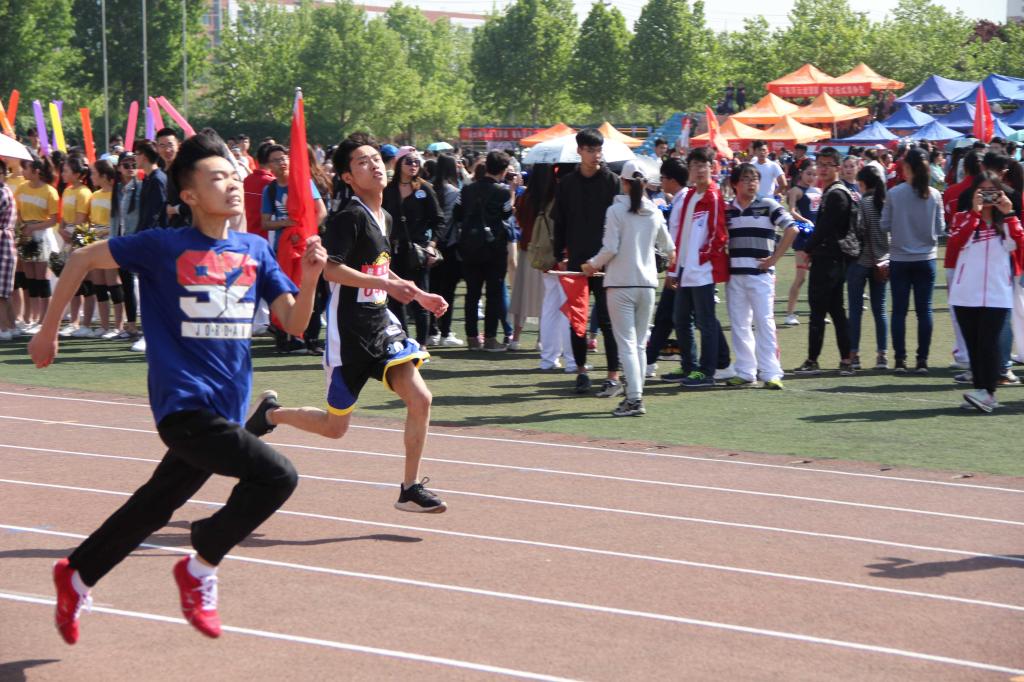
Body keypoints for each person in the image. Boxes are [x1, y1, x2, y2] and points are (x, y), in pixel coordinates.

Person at [28, 130, 326, 643]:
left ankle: (76, 574)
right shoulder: (161, 245)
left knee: (156, 503)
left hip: (226, 410)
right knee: (278, 476)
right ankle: (201, 561)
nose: (232, 185)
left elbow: (295, 324)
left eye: (233, 176)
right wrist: (48, 331)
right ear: (189, 194)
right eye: (217, 178)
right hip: (184, 405)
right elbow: (79, 259)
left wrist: (314, 276)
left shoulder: (256, 249)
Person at [245, 133, 449, 513]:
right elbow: (332, 270)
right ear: (348, 177)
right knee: (335, 428)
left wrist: (418, 294)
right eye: (362, 162)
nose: (374, 165)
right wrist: (386, 284)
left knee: (421, 398)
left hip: (382, 327)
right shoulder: (348, 218)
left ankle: (409, 488)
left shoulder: (386, 216)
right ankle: (270, 413)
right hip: (349, 335)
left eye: (376, 159)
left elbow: (382, 271)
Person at [582, 159, 673, 415]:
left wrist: (592, 265)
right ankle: (635, 396)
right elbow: (669, 248)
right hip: (647, 284)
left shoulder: (615, 211)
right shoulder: (654, 211)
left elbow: (610, 248)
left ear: (623, 182)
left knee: (628, 345)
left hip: (620, 284)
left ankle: (634, 399)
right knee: (639, 345)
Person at [552, 128, 621, 395]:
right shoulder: (567, 184)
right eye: (590, 150)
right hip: (577, 262)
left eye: (598, 150)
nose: (595, 155)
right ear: (579, 150)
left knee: (607, 320)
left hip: (608, 261)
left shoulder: (612, 182)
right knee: (577, 320)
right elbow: (560, 222)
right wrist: (560, 255)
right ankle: (581, 372)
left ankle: (613, 375)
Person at [947, 173, 1024, 412]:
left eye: (993, 190)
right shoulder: (962, 218)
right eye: (983, 190)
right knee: (974, 345)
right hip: (965, 294)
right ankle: (981, 390)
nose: (988, 195)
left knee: (988, 344)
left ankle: (988, 392)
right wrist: (975, 213)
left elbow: (1020, 246)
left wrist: (1009, 214)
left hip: (997, 295)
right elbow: (955, 244)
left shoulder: (1008, 221)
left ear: (1001, 193)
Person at [723, 162, 798, 389]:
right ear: (735, 184)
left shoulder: (768, 205)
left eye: (754, 179)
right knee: (739, 324)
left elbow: (792, 228)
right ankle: (745, 371)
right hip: (734, 275)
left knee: (764, 322)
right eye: (746, 179)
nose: (751, 183)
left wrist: (774, 259)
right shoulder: (727, 210)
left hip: (760, 274)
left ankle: (771, 372)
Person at [667, 146, 729, 388]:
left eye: (703, 165)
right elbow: (682, 235)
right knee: (681, 318)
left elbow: (718, 234)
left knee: (705, 321)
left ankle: (706, 371)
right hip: (686, 268)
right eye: (694, 166)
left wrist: (703, 257)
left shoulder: (713, 196)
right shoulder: (691, 196)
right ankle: (689, 365)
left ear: (711, 168)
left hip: (703, 270)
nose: (699, 170)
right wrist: (675, 268)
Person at [881, 147, 944, 374]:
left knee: (899, 311)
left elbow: (884, 225)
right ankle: (922, 360)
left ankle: (900, 360)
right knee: (924, 310)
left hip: (900, 258)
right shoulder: (934, 195)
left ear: (906, 167)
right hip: (926, 258)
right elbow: (940, 229)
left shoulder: (894, 193)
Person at [260, 144, 328, 353]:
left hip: (307, 246)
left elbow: (321, 212)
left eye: (284, 158)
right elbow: (265, 222)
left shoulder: (304, 183)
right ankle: (285, 339)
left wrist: (306, 233)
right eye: (276, 160)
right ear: (269, 165)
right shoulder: (270, 190)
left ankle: (311, 339)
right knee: (284, 292)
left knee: (311, 291)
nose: (282, 163)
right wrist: (287, 223)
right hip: (282, 249)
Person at [794, 147, 853, 375]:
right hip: (835, 258)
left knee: (819, 311)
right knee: (836, 310)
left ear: (837, 167)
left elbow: (825, 229)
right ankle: (846, 360)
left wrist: (808, 249)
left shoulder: (835, 194)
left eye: (828, 164)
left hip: (828, 258)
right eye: (820, 164)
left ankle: (813, 360)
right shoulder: (835, 191)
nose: (823, 169)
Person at [455, 150, 517, 352]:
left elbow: (457, 213)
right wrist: (512, 193)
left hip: (469, 246)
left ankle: (472, 338)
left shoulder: (467, 189)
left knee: (472, 293)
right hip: (494, 248)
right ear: (504, 170)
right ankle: (490, 338)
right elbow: (506, 214)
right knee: (494, 294)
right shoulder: (502, 192)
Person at [382, 147, 444, 346]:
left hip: (418, 251)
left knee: (420, 298)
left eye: (417, 161)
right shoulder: (388, 189)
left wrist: (432, 245)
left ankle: (422, 344)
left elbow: (439, 220)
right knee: (396, 298)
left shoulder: (424, 189)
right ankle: (404, 342)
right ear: (399, 163)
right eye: (409, 161)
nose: (413, 165)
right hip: (394, 250)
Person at [645, 158, 688, 379]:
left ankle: (719, 362)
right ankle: (649, 362)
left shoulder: (683, 202)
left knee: (679, 318)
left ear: (672, 180)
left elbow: (678, 240)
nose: (661, 182)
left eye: (663, 178)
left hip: (681, 270)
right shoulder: (680, 200)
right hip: (681, 269)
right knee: (669, 318)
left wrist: (673, 272)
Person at [847, 166, 890, 371]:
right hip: (882, 262)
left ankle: (854, 354)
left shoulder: (863, 203)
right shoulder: (886, 202)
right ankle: (882, 355)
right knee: (880, 310)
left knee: (855, 310)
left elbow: (859, 229)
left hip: (861, 261)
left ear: (863, 184)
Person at [14, 155, 60, 332]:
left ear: (36, 171)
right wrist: (22, 226)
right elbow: (18, 211)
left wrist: (33, 227)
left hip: (41, 235)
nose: (23, 171)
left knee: (42, 280)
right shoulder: (22, 188)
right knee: (30, 280)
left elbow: (53, 220)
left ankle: (43, 320)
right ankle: (32, 318)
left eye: (25, 168)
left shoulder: (49, 191)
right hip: (26, 234)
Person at [426, 153, 464, 347]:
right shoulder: (455, 192)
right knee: (447, 291)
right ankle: (445, 332)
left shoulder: (428, 188)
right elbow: (458, 219)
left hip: (429, 247)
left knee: (430, 289)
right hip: (450, 246)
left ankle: (431, 331)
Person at [87, 160, 127, 339]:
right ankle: (104, 325)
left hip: (111, 242)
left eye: (94, 173)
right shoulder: (95, 195)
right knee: (99, 284)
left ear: (104, 175)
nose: (91, 176)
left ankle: (118, 325)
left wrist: (106, 232)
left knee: (113, 283)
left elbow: (120, 221)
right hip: (96, 242)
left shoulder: (117, 194)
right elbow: (91, 220)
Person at [783, 162, 821, 326]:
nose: (812, 177)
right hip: (804, 238)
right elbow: (791, 211)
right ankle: (789, 314)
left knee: (819, 278)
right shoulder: (796, 190)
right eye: (808, 173)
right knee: (801, 278)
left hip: (818, 238)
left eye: (814, 174)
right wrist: (806, 221)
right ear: (801, 173)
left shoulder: (818, 191)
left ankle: (818, 313)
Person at [114, 151, 143, 338]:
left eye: (134, 164)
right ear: (119, 168)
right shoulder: (117, 189)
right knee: (126, 284)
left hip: (137, 239)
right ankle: (131, 324)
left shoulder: (141, 187)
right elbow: (114, 216)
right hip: (121, 239)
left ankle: (145, 325)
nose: (130, 168)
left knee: (143, 283)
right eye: (126, 165)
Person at [0, 160, 17, 340]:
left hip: (2, 244)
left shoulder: (2, 192)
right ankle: (11, 326)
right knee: (5, 291)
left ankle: (3, 329)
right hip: (6, 243)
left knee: (1, 292)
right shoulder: (6, 190)